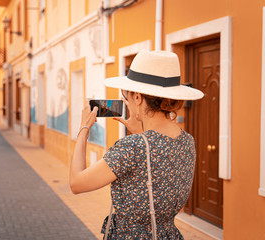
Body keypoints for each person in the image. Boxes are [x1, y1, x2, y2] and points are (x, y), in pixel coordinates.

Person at [69, 50, 204, 239]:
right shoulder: (188, 141)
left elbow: (76, 184)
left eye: (127, 96)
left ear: (138, 97)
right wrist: (141, 134)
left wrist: (84, 129)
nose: (128, 102)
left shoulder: (132, 147)